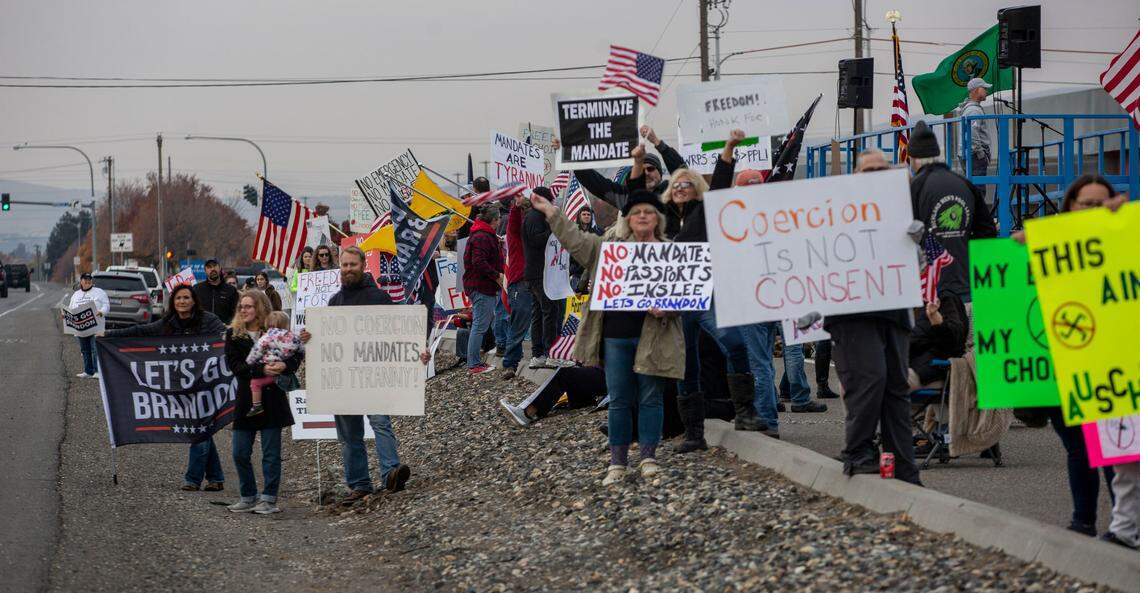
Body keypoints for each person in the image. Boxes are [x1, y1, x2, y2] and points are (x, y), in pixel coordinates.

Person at [530, 189, 683, 485]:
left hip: (655, 336)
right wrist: (552, 214)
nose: (642, 216)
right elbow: (576, 240)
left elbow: (686, 294)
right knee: (620, 399)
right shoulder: (607, 248)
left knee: (651, 397)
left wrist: (667, 308)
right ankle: (618, 463)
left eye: (648, 211)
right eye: (636, 211)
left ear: (658, 219)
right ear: (627, 219)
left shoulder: (669, 251)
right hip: (615, 336)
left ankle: (649, 457)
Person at [1013, 174, 1125, 539]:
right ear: (1070, 207)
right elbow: (1010, 283)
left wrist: (1122, 221)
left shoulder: (1124, 243)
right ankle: (1084, 522)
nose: (1094, 210)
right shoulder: (1047, 248)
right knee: (1079, 448)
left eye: (1101, 203)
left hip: (1111, 367)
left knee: (1112, 449)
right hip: (1063, 366)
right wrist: (1027, 246)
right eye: (1086, 204)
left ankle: (1125, 527)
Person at [299, 246, 430, 504]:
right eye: (345, 265)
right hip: (343, 380)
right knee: (349, 434)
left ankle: (391, 473)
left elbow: (400, 334)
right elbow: (326, 341)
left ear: (362, 266)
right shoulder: (334, 302)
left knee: (381, 423)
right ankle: (359, 484)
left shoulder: (380, 298)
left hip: (374, 375)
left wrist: (417, 353)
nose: (348, 269)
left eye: (353, 265)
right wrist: (310, 337)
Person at [666, 130, 769, 453]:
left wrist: (728, 149)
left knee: (735, 343)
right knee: (687, 367)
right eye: (677, 184)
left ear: (696, 189)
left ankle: (745, 411)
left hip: (706, 294)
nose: (681, 188)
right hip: (676, 300)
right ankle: (693, 432)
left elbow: (723, 185)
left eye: (687, 184)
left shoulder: (706, 212)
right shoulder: (659, 219)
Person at [824, 148, 922, 485]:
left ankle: (906, 469)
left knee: (896, 387)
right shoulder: (834, 211)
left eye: (883, 169)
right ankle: (858, 452)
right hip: (852, 314)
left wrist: (917, 242)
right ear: (855, 177)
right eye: (869, 170)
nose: (877, 174)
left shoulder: (904, 211)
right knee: (871, 379)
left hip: (894, 312)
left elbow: (925, 263)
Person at [107, 283, 228, 491]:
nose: (182, 302)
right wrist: (109, 336)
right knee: (202, 427)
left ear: (194, 301)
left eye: (186, 298)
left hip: (207, 383)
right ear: (173, 301)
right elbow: (141, 331)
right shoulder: (168, 323)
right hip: (181, 385)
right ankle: (216, 478)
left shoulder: (209, 320)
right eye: (178, 298)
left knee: (198, 427)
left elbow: (225, 337)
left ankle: (193, 479)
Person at [224, 290, 300, 515]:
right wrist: (262, 369)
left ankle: (269, 498)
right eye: (241, 306)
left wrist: (286, 366)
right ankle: (248, 495)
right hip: (247, 400)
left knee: (271, 453)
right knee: (239, 452)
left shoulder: (275, 330)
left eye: (249, 306)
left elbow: (294, 355)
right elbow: (236, 366)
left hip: (273, 399)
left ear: (260, 308)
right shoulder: (234, 334)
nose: (243, 310)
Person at [909, 121, 997, 300]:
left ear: (913, 158)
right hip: (967, 289)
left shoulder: (915, 187)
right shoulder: (964, 183)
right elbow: (988, 232)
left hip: (932, 295)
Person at [554, 125, 685, 212]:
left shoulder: (672, 193)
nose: (646, 173)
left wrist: (657, 142)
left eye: (651, 169)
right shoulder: (625, 196)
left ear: (660, 173)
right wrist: (570, 156)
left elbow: (683, 173)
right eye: (642, 169)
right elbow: (594, 182)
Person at [522, 186, 562, 370]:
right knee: (549, 312)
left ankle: (539, 354)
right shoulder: (534, 217)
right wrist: (554, 229)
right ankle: (550, 353)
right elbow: (537, 240)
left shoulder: (535, 216)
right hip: (540, 274)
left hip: (538, 273)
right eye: (549, 201)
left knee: (539, 313)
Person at [462, 205, 504, 374]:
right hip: (481, 286)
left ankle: (474, 362)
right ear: (494, 220)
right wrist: (496, 275)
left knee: (480, 323)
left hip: (480, 285)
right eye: (499, 218)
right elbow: (479, 262)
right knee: (479, 325)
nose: (500, 220)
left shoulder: (483, 235)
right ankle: (473, 364)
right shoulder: (482, 237)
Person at [499, 366, 607, 426]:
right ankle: (582, 400)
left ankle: (527, 412)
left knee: (564, 373)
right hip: (615, 374)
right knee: (573, 370)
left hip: (615, 376)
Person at [244, 311, 302, 417]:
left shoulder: (267, 336)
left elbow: (257, 350)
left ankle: (257, 405)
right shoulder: (294, 337)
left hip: (269, 365)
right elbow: (300, 350)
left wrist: (249, 361)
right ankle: (287, 381)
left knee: (255, 383)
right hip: (282, 367)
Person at [501, 191, 534, 379]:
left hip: (535, 280)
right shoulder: (515, 229)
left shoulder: (533, 229)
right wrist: (517, 204)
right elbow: (514, 220)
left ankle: (540, 355)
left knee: (538, 322)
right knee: (519, 323)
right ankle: (510, 363)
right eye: (527, 211)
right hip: (520, 281)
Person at [907, 294, 968, 389]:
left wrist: (937, 321)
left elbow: (954, 341)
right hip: (906, 364)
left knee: (890, 382)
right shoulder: (902, 302)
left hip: (929, 369)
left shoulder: (945, 297)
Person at [66, 272, 109, 378]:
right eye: (85, 279)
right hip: (81, 327)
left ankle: (98, 371)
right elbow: (71, 308)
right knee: (85, 350)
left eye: (89, 279)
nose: (88, 281)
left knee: (95, 349)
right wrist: (67, 317)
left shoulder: (100, 292)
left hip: (96, 326)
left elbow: (106, 305)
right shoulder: (76, 294)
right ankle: (88, 371)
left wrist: (102, 312)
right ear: (81, 281)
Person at [959, 78, 993, 181]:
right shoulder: (974, 110)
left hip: (970, 155)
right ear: (976, 90)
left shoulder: (970, 108)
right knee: (978, 191)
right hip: (975, 156)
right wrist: (981, 154)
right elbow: (972, 134)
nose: (986, 91)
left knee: (973, 189)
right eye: (984, 88)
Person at [193, 258, 239, 324]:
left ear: (220, 268)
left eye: (214, 266)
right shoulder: (197, 289)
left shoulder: (231, 290)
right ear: (205, 271)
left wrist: (228, 324)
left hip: (224, 330)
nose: (212, 269)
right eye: (209, 267)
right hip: (202, 331)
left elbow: (236, 312)